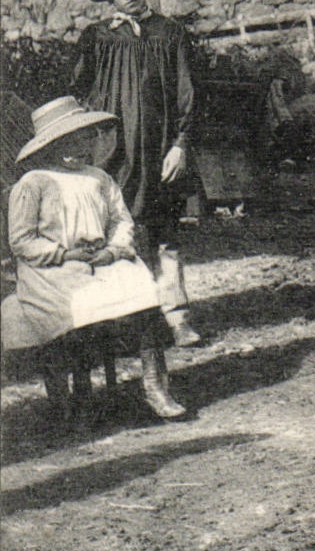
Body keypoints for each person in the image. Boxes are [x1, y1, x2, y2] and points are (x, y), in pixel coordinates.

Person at [2, 96, 187, 419]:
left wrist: (113, 250)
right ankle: (74, 401)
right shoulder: (32, 183)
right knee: (73, 309)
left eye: (87, 138)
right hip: (52, 268)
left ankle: (155, 387)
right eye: (73, 140)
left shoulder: (99, 178)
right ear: (54, 145)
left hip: (102, 258)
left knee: (140, 288)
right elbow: (22, 240)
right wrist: (64, 254)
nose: (84, 147)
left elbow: (120, 220)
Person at [72, 0, 202, 347]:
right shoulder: (97, 39)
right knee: (118, 236)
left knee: (165, 234)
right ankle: (129, 323)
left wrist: (180, 144)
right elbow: (78, 92)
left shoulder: (170, 33)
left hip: (160, 149)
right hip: (116, 153)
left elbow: (189, 94)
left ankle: (176, 316)